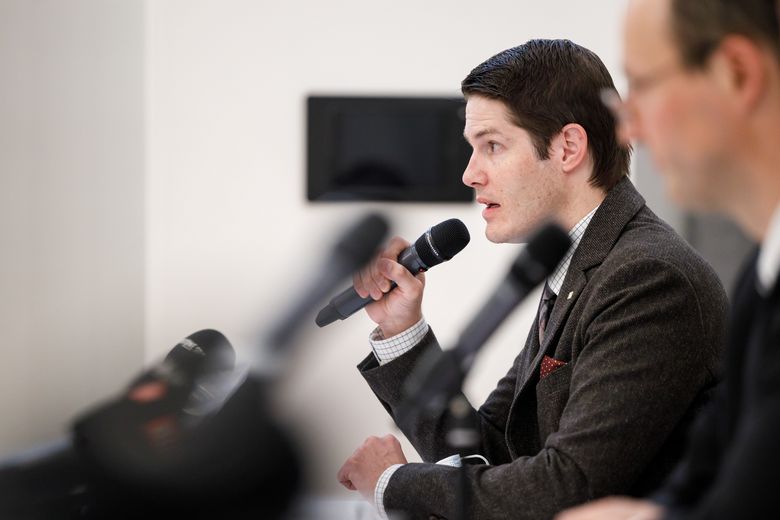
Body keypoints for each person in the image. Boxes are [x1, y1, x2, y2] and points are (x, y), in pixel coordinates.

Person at [336, 39, 728, 520]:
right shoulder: (583, 264)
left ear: (567, 148)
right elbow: (496, 450)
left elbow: (565, 488)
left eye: (492, 146)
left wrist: (393, 484)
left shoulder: (647, 278)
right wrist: (402, 329)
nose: (469, 174)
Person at [556, 1, 780, 519]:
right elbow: (712, 478)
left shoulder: (652, 273)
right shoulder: (759, 279)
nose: (630, 130)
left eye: (643, 86)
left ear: (736, 73)